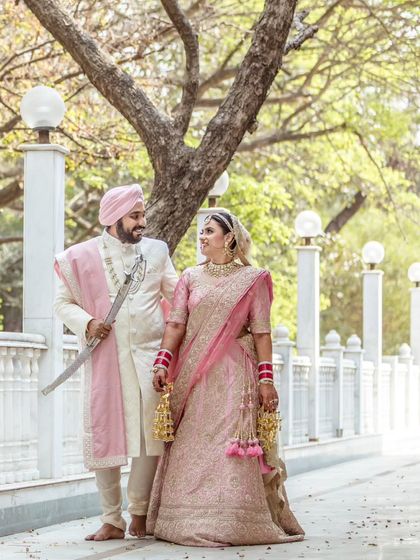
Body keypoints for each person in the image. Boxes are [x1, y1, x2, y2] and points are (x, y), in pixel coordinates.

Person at [147, 210, 304, 546]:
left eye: (209, 231)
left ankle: (233, 519)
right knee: (195, 441)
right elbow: (176, 324)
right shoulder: (190, 277)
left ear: (229, 237)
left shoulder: (254, 278)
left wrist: (266, 379)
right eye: (200, 232)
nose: (202, 237)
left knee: (229, 445)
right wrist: (162, 362)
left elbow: (261, 332)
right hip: (196, 379)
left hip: (236, 376)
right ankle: (182, 518)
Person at [53, 183, 178, 541]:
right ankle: (111, 519)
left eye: (142, 215)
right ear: (113, 219)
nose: (142, 222)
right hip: (106, 361)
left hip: (151, 360)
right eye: (135, 216)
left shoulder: (156, 251)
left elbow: (179, 296)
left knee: (149, 439)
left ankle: (138, 512)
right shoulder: (78, 257)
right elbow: (61, 304)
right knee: (104, 436)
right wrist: (88, 323)